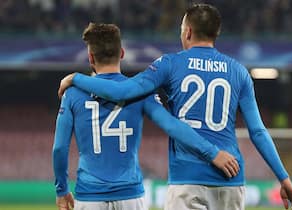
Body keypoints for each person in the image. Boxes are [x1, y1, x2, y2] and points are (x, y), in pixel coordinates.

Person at [58, 4, 292, 210]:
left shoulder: (170, 64)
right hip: (231, 177)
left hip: (187, 177)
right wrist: (283, 176)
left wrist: (75, 79)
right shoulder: (238, 71)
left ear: (188, 31)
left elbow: (122, 91)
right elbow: (257, 131)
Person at [53, 22, 240, 210]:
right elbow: (172, 126)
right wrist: (212, 153)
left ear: (90, 57)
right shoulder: (141, 92)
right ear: (122, 53)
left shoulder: (72, 94)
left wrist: (62, 190)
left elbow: (60, 148)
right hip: (130, 196)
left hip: (89, 196)